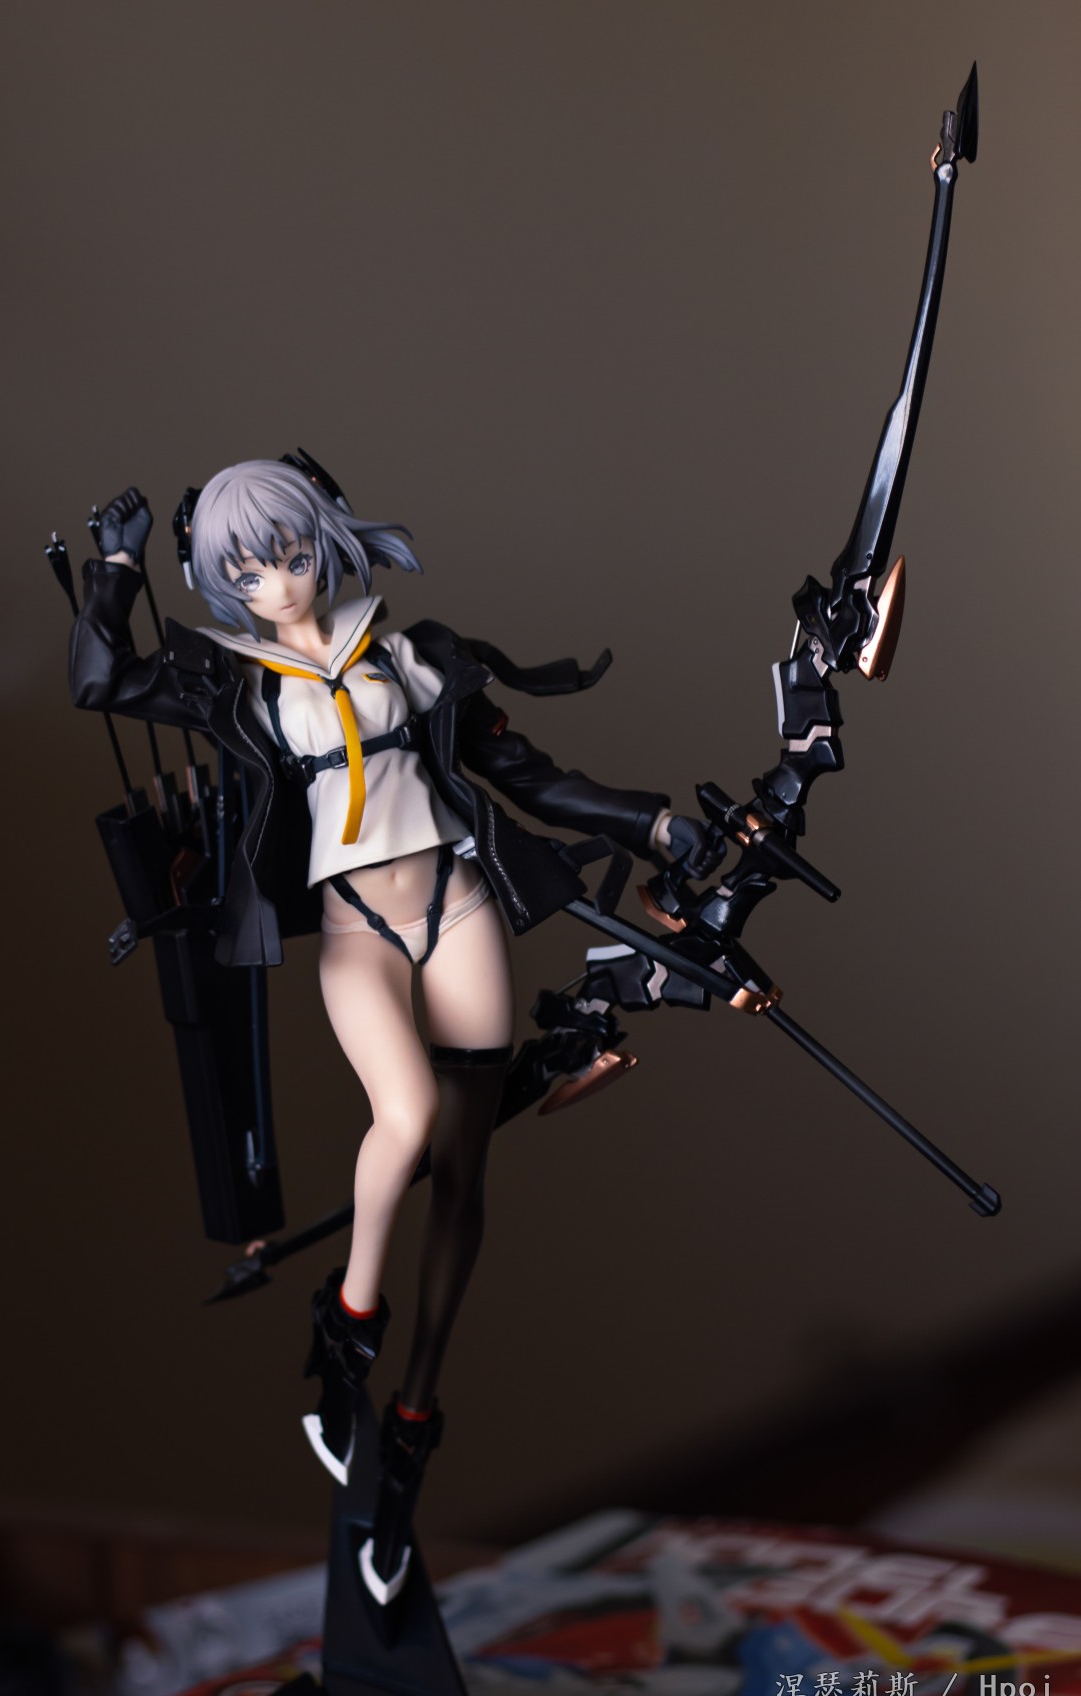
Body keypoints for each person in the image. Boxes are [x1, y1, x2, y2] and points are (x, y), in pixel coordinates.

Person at [70, 457, 720, 1602]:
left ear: (324, 541)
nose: (278, 582)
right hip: (356, 927)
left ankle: (417, 1405)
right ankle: (349, 1318)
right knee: (406, 1116)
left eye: (291, 554)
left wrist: (653, 822)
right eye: (247, 571)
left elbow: (526, 774)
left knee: (464, 1170)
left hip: (458, 907)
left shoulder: (416, 654)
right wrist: (117, 566)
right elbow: (98, 678)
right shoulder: (232, 678)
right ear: (218, 580)